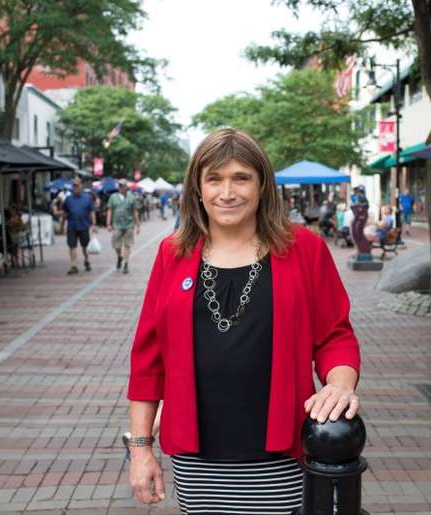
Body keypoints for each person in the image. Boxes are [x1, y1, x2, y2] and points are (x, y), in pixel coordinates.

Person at [126, 128, 361, 513]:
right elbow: (147, 361)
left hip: (280, 452)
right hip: (197, 458)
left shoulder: (303, 249)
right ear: (198, 189)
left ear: (262, 185)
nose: (227, 192)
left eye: (241, 178)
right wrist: (140, 450)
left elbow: (335, 335)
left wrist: (339, 385)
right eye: (214, 179)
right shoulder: (173, 253)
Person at [61, 178, 97, 275]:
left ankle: (86, 260)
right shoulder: (68, 199)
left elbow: (92, 211)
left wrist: (94, 224)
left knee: (85, 246)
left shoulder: (87, 198)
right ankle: (74, 266)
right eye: (74, 186)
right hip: (72, 226)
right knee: (72, 246)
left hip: (84, 226)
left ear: (81, 186)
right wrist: (62, 225)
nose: (75, 187)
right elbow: (64, 213)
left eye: (77, 185)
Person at [107, 178, 140, 274]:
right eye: (120, 186)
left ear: (126, 187)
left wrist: (138, 225)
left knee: (127, 245)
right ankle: (119, 257)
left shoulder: (132, 197)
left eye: (123, 186)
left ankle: (126, 263)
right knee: (116, 245)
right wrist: (108, 223)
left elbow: (135, 211)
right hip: (117, 225)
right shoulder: (113, 197)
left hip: (129, 224)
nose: (121, 187)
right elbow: (110, 210)